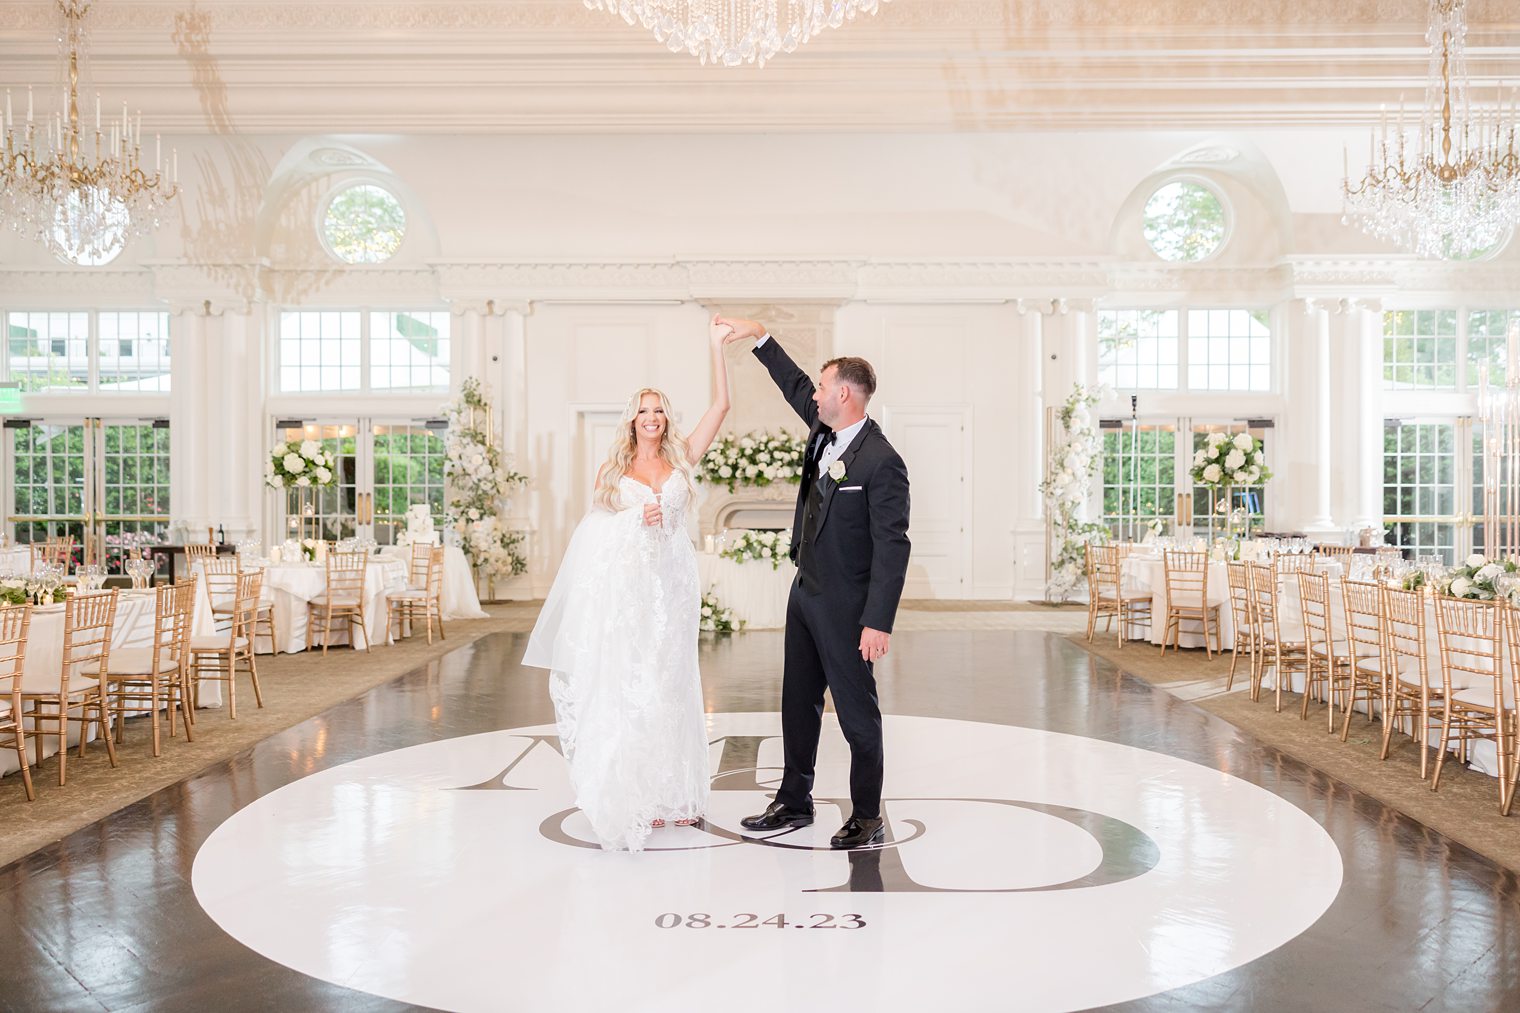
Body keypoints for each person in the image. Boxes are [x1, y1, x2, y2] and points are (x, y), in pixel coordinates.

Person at [523, 316, 733, 852]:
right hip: (633, 590)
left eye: (660, 409)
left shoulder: (683, 457)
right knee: (636, 680)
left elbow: (722, 408)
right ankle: (638, 790)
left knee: (675, 678)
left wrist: (717, 348)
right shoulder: (613, 472)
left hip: (676, 583)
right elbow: (594, 531)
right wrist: (628, 523)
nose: (653, 418)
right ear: (631, 420)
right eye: (644, 410)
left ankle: (679, 795)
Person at [717, 316, 911, 850]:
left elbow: (894, 545)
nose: (816, 393)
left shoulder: (882, 461)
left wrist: (877, 621)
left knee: (855, 713)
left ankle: (868, 816)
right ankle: (794, 801)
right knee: (797, 701)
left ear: (844, 394)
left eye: (825, 386)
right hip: (805, 594)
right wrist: (759, 336)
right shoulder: (824, 427)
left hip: (849, 607)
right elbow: (794, 383)